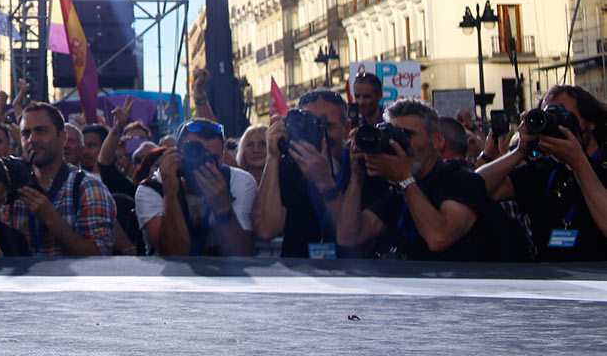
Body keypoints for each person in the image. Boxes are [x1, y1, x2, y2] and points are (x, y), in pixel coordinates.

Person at [335, 98, 496, 261]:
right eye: (392, 135)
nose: (398, 144)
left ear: (437, 140)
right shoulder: (397, 190)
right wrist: (357, 176)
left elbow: (438, 238)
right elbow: (348, 237)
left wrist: (405, 181)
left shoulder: (464, 181)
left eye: (407, 135)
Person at [478, 85, 607, 261]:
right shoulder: (544, 169)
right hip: (550, 280)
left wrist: (579, 164)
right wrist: (518, 153)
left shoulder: (602, 165)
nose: (556, 123)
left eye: (563, 115)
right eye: (548, 115)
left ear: (590, 122)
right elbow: (476, 188)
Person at [255, 90, 367, 259]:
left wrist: (324, 182)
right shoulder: (288, 166)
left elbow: (352, 238)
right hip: (299, 277)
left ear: (347, 128)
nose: (320, 132)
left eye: (327, 126)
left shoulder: (359, 166)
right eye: (310, 125)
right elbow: (266, 229)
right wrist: (272, 157)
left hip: (350, 275)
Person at [138, 118, 256, 256]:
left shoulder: (239, 182)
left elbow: (243, 255)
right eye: (194, 153)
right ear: (177, 153)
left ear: (223, 157)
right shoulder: (153, 188)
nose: (203, 163)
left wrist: (223, 207)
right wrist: (170, 194)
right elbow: (174, 254)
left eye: (212, 158)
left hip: (225, 275)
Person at [9, 103, 114, 256]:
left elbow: (100, 257)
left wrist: (51, 218)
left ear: (62, 137)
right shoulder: (11, 184)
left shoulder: (88, 188)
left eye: (41, 131)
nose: (32, 139)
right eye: (26, 133)